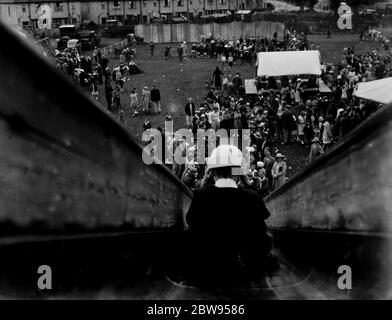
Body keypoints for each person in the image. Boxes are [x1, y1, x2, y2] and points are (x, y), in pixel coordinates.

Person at [186, 144, 273, 284]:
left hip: (210, 267)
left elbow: (191, 221)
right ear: (238, 172)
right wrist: (249, 184)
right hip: (246, 267)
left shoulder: (202, 195)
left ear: (212, 172)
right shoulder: (250, 196)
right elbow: (263, 214)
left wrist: (203, 186)